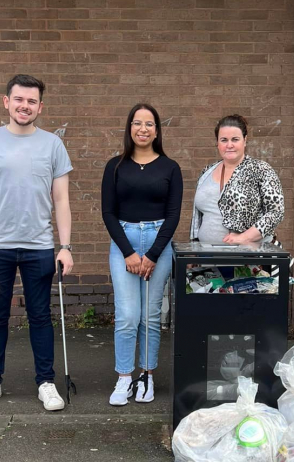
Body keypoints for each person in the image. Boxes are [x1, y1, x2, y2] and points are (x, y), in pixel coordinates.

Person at [0, 74, 74, 411]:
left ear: (40, 106)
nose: (24, 106)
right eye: (19, 99)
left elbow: (62, 201)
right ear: (6, 102)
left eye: (31, 101)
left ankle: (46, 383)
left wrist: (66, 246)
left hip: (39, 246)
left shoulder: (53, 145)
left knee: (41, 317)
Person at [101, 104, 183, 406]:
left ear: (157, 130)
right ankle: (124, 377)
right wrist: (129, 252)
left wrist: (152, 254)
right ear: (130, 128)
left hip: (158, 242)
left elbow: (173, 215)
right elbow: (108, 213)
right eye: (137, 123)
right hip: (124, 241)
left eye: (149, 124)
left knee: (149, 315)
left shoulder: (170, 168)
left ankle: (147, 375)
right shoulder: (115, 166)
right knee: (127, 315)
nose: (143, 129)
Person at [190, 114, 284, 245]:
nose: (229, 145)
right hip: (207, 256)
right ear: (217, 142)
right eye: (224, 140)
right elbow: (197, 217)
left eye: (235, 139)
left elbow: (276, 212)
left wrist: (244, 237)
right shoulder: (207, 171)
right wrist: (193, 247)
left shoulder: (261, 170)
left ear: (245, 140)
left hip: (248, 258)